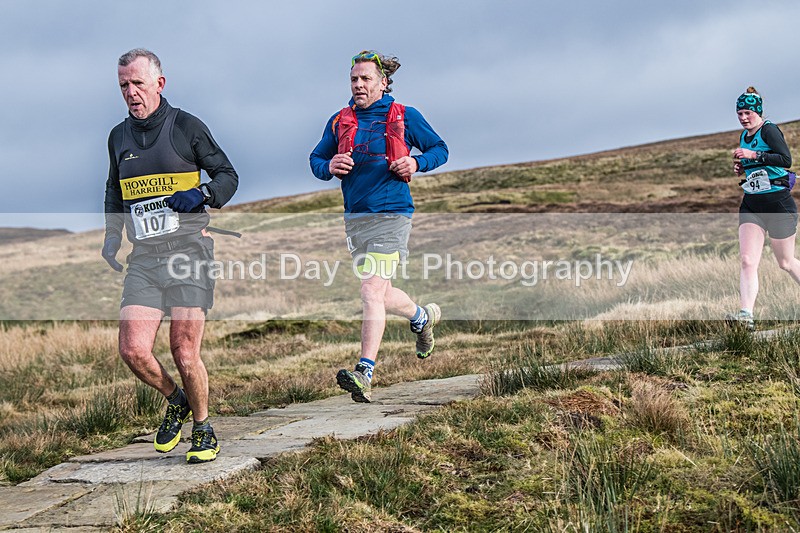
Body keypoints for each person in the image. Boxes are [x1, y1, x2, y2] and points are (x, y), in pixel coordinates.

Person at [102, 49, 238, 463]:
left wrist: (200, 194)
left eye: (138, 83)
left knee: (183, 349)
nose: (131, 92)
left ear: (159, 83)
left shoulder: (186, 127)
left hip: (188, 252)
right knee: (133, 350)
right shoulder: (118, 137)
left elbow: (228, 176)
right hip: (144, 257)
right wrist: (112, 235)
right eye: (124, 85)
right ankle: (174, 399)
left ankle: (203, 428)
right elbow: (114, 189)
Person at [310, 50, 448, 402]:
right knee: (382, 294)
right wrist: (331, 165)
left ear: (383, 83)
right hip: (357, 218)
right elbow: (316, 158)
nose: (358, 84)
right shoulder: (340, 120)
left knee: (371, 291)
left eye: (365, 78)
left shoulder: (404, 115)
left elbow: (439, 149)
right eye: (354, 79)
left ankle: (365, 371)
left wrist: (416, 163)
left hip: (392, 214)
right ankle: (421, 317)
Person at [728, 86, 800, 330]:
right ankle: (745, 316)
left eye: (747, 112)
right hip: (752, 204)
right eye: (739, 113)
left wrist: (753, 155)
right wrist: (742, 168)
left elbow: (785, 160)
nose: (743, 117)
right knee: (747, 260)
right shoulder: (743, 135)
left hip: (778, 203)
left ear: (757, 111)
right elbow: (754, 163)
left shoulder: (769, 130)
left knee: (786, 262)